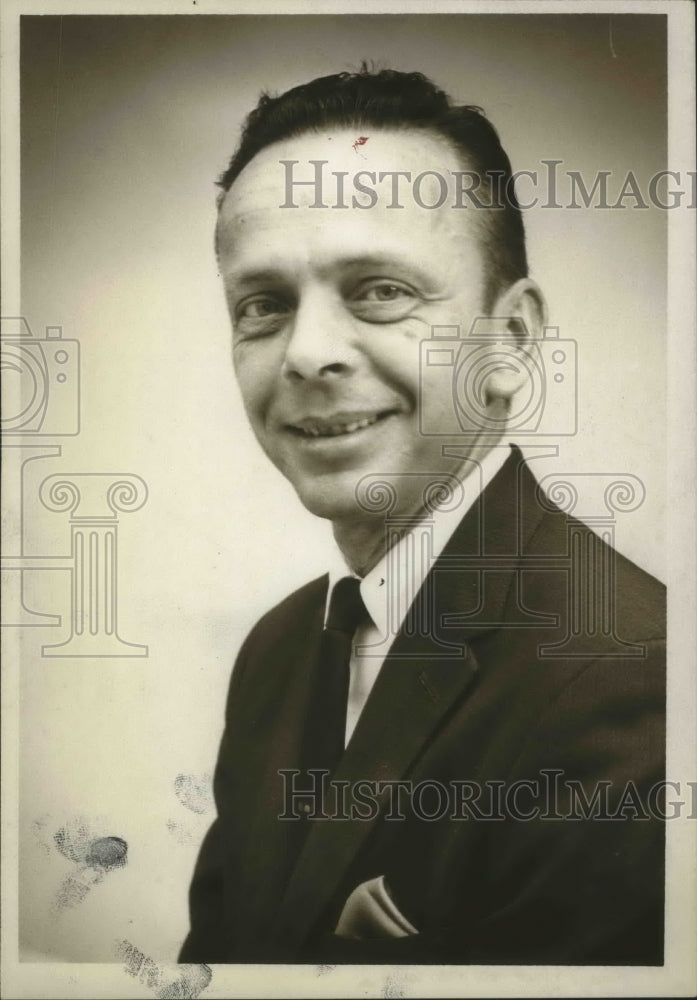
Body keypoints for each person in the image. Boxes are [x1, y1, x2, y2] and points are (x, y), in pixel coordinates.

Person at [180, 67, 665, 965]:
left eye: (381, 290)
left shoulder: (637, 686)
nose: (308, 353)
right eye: (263, 306)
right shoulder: (280, 652)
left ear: (511, 342)